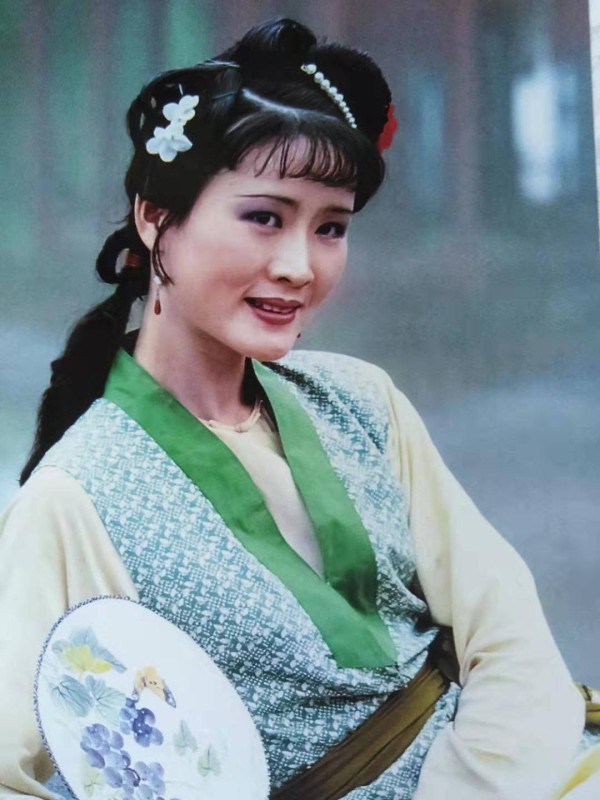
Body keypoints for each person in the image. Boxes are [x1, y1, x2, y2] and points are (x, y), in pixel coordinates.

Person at [0, 17, 598, 800]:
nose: (299, 266)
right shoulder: (75, 498)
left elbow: (508, 633)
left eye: (331, 228)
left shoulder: (363, 402)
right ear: (154, 218)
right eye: (265, 217)